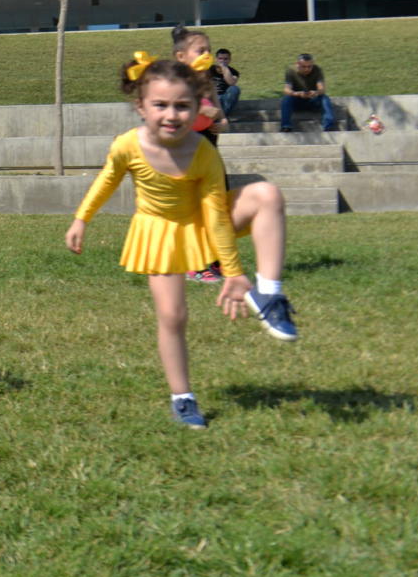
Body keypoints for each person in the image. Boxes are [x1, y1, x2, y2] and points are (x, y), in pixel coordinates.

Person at [66, 55, 280, 429]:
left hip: (201, 223)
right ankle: (182, 397)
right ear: (141, 107)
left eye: (183, 106)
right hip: (159, 232)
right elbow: (107, 180)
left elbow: (215, 213)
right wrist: (82, 218)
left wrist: (233, 271)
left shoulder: (203, 152)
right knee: (172, 316)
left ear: (198, 109)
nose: (171, 115)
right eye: (160, 105)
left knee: (267, 195)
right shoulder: (126, 146)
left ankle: (269, 292)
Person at [169, 30, 299, 338]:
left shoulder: (208, 84)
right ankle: (195, 264)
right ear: (181, 57)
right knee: (196, 210)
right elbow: (171, 112)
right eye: (200, 49)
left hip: (210, 154)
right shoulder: (175, 82)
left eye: (209, 49)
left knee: (215, 209)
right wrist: (201, 112)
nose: (207, 54)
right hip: (184, 157)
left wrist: (216, 118)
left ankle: (211, 263)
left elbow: (223, 122)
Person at [281, 53, 337, 132]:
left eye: (309, 66)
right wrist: (298, 94)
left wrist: (316, 92)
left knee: (325, 98)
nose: (307, 69)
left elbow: (322, 89)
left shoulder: (317, 70)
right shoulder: (291, 71)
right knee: (287, 99)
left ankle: (328, 126)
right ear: (297, 64)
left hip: (313, 100)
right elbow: (286, 90)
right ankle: (285, 126)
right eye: (303, 67)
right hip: (297, 101)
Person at [208, 47, 241, 119]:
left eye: (226, 59)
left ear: (229, 60)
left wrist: (225, 68)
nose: (223, 61)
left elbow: (231, 82)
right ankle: (221, 117)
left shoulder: (234, 72)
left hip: (225, 98)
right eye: (220, 58)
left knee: (235, 89)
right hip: (212, 97)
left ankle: (220, 117)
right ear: (216, 59)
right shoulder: (209, 69)